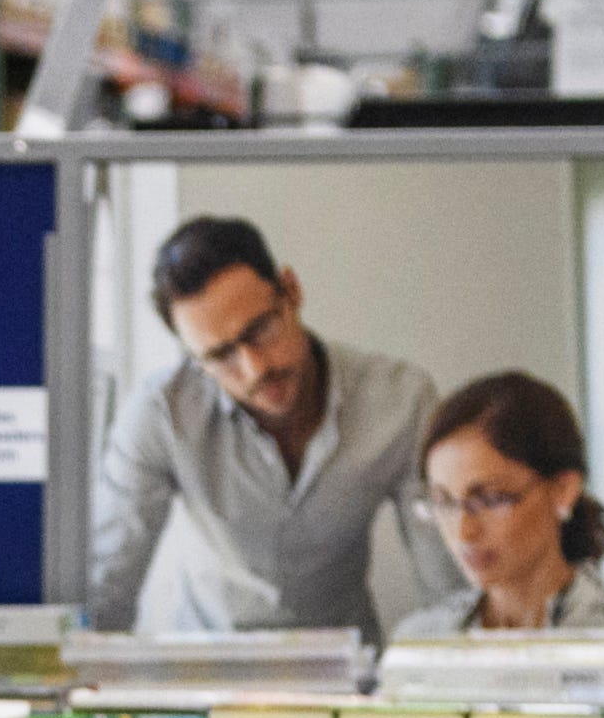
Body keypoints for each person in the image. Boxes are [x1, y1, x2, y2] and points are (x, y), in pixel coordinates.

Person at [91, 214, 467, 637]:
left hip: (344, 656)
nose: (255, 369)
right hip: (209, 658)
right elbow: (106, 587)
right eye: (220, 356)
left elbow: (452, 584)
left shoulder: (399, 400)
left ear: (291, 290)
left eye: (260, 329)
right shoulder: (161, 414)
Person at [393, 371, 604, 634]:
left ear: (563, 491)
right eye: (444, 502)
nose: (464, 532)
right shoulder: (421, 640)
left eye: (491, 499)